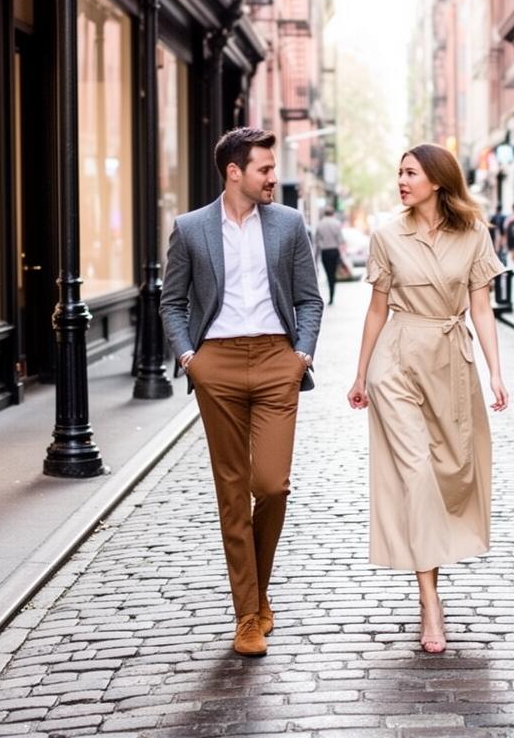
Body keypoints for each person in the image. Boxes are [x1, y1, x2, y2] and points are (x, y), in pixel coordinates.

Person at [160, 127, 324, 657]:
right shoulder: (190, 229)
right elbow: (172, 301)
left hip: (278, 360)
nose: (274, 177)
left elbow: (309, 298)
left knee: (271, 485)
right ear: (235, 173)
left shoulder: (288, 224)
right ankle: (248, 615)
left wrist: (300, 354)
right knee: (232, 491)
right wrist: (191, 358)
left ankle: (259, 592)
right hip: (219, 367)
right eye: (265, 169)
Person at [346, 143, 510, 654]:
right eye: (398, 173)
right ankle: (429, 602)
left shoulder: (474, 233)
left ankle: (434, 580)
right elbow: (376, 310)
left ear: (437, 181)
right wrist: (359, 375)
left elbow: (482, 309)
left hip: (450, 361)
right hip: (396, 360)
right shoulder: (386, 235)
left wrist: (495, 372)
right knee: (416, 472)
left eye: (410, 173)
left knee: (453, 470)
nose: (401, 181)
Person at [313, 206, 346, 305]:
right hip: (334, 251)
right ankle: (332, 295)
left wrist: (315, 257)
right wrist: (343, 255)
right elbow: (341, 240)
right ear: (332, 213)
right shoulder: (336, 223)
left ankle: (331, 294)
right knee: (333, 274)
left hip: (325, 252)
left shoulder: (320, 224)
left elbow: (316, 242)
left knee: (328, 274)